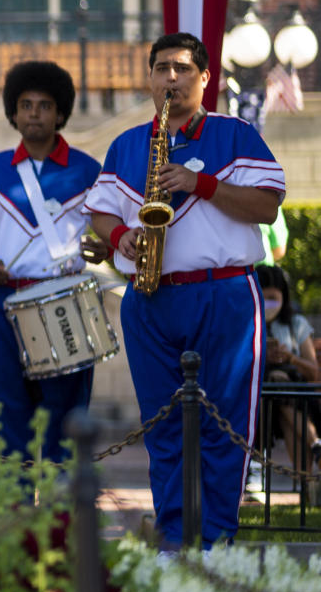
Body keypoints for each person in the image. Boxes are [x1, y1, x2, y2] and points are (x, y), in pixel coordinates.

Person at [86, 31, 285, 549]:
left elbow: (267, 207)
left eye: (180, 68)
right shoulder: (129, 143)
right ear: (150, 76)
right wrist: (121, 236)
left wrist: (203, 185)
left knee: (225, 427)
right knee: (163, 429)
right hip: (150, 298)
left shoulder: (235, 133)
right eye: (160, 69)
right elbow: (101, 216)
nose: (170, 78)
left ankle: (217, 543)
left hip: (224, 296)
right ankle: (175, 541)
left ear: (204, 77)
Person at [0, 61, 107, 463]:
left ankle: (63, 516)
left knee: (67, 416)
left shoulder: (88, 170)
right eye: (25, 105)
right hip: (4, 301)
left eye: (44, 105)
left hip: (67, 301)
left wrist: (104, 249)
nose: (34, 113)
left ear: (60, 114)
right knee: (8, 415)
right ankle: (17, 516)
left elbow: (109, 229)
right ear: (13, 112)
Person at [254, 263, 319, 486]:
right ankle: (316, 446)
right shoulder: (250, 325)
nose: (270, 303)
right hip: (262, 408)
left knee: (284, 400)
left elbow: (313, 373)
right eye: (265, 297)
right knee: (279, 389)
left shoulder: (295, 325)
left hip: (298, 401)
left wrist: (289, 358)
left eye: (274, 297)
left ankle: (306, 485)